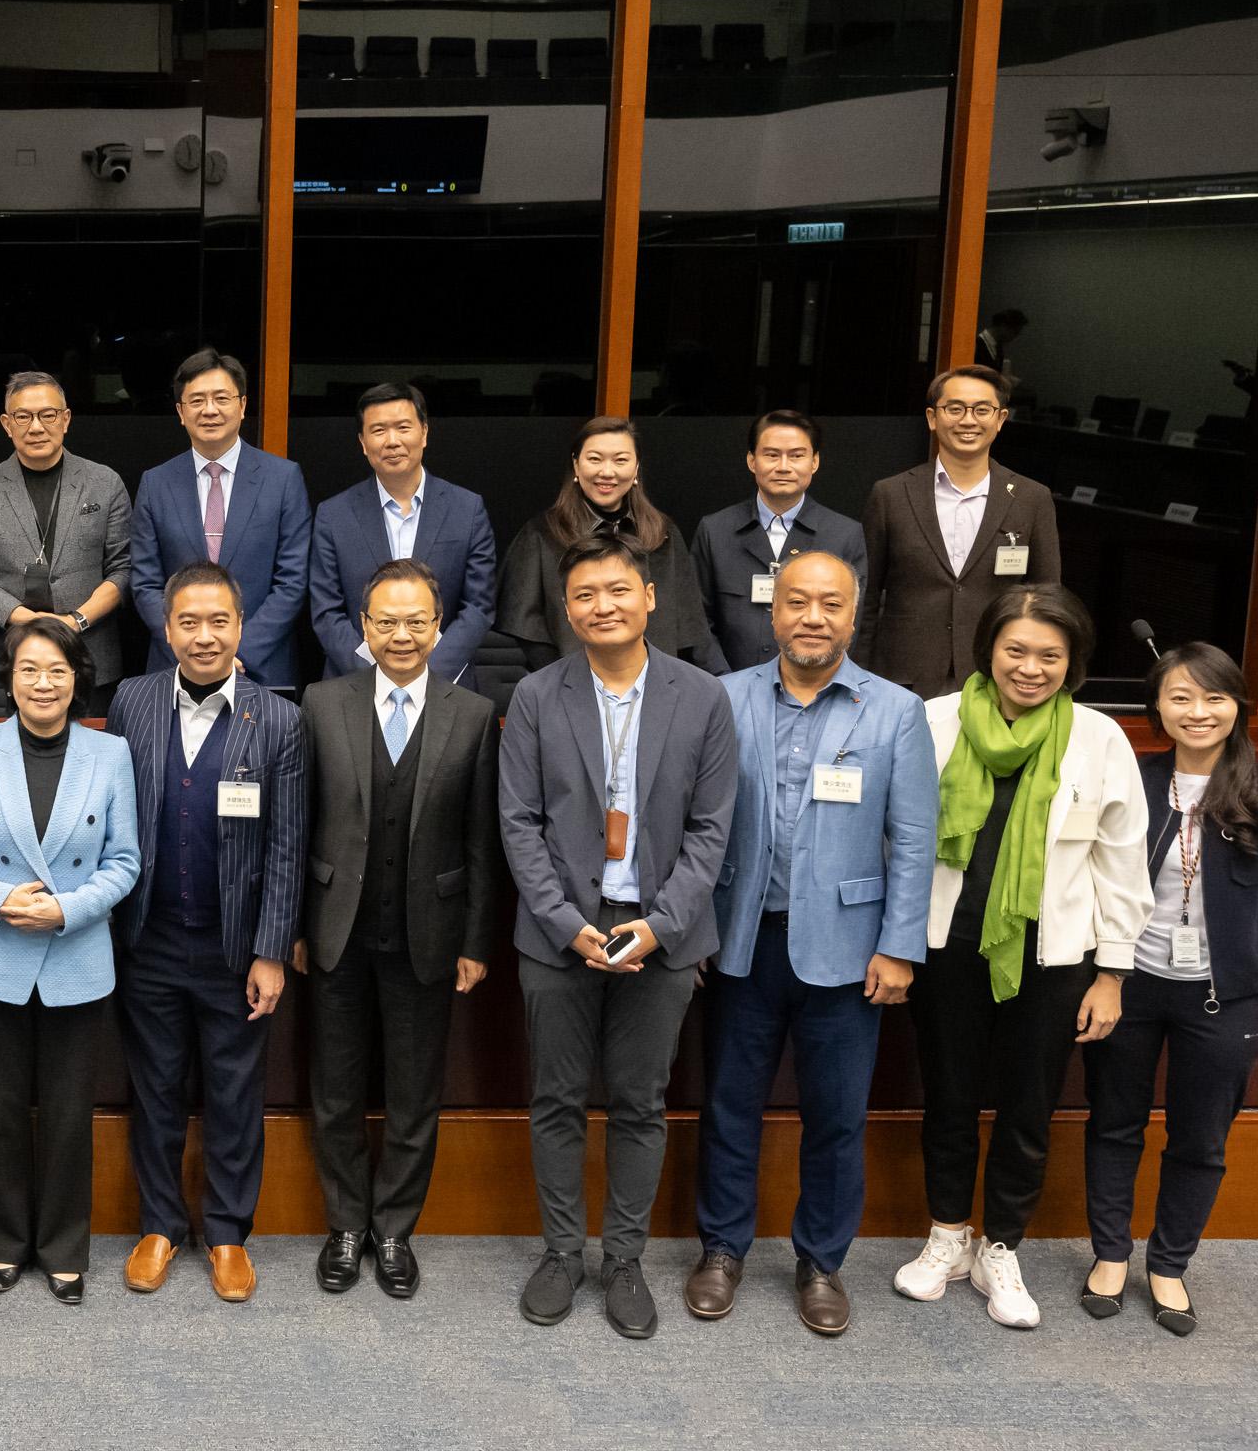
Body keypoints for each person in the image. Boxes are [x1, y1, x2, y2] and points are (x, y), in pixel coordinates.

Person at [685, 551, 937, 1337]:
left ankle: (821, 1261)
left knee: (836, 1117)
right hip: (740, 941)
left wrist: (900, 947)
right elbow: (693, 827)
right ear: (773, 611)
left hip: (849, 947)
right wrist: (691, 928)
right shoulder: (723, 699)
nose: (813, 617)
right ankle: (722, 1250)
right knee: (730, 1106)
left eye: (831, 604)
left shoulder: (894, 711)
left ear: (854, 617)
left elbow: (915, 837)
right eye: (798, 602)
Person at [500, 534, 738, 1339]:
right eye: (585, 596)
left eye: (617, 590)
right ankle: (564, 1251)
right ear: (567, 611)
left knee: (641, 1103)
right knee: (556, 1101)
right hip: (559, 932)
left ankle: (625, 1258)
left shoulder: (703, 695)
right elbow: (520, 825)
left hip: (661, 933)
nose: (603, 605)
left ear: (648, 597)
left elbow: (712, 830)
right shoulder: (536, 695)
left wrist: (663, 924)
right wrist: (567, 926)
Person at [894, 584, 1149, 1330]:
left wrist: (1112, 972)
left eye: (1049, 655)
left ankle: (1000, 1248)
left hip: (1054, 958)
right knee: (947, 1096)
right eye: (1015, 650)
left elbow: (1121, 863)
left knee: (1028, 1108)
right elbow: (900, 843)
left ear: (1072, 664)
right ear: (988, 650)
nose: (1029, 668)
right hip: (949, 948)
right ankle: (945, 1235)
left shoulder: (1100, 739)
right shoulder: (933, 723)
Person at [1082, 641, 1258, 1336]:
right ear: (1156, 705)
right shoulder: (1132, 781)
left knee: (1200, 1138)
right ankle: (1110, 1255)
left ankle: (1170, 1264)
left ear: (1238, 706)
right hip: (1127, 983)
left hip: (1226, 997)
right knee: (1114, 1121)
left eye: (1214, 697)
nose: (1198, 711)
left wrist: (1236, 954)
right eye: (1180, 697)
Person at [296, 557, 500, 1300]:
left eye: (418, 621)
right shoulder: (321, 703)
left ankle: (393, 1232)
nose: (403, 634)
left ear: (439, 627)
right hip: (335, 931)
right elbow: (300, 826)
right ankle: (347, 1224)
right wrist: (293, 926)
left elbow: (483, 842)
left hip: (430, 936)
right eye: (388, 621)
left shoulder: (473, 714)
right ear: (364, 628)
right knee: (337, 1090)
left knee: (415, 1094)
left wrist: (477, 940)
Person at [103, 562, 306, 1303]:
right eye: (189, 622)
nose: (204, 635)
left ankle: (226, 1234)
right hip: (149, 940)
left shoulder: (277, 718)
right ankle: (159, 1226)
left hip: (234, 949)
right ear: (167, 630)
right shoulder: (132, 701)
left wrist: (270, 951)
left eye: (219, 621)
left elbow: (287, 844)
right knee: (154, 1088)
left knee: (233, 1091)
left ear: (241, 629)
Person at [0, 617, 140, 1302]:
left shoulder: (109, 754)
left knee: (66, 1115)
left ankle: (62, 1247)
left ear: (77, 678)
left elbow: (124, 861)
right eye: (29, 669)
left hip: (75, 953)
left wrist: (69, 908)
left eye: (57, 670)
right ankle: (0, 1241)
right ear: (10, 678)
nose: (43, 683)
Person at [857, 367, 1061, 699]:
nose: (968, 420)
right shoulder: (890, 494)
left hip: (997, 677)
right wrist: (858, 674)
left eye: (982, 410)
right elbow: (863, 597)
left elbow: (1047, 599)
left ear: (1000, 419)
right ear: (932, 418)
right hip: (901, 678)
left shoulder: (1031, 498)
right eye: (955, 409)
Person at [128, 348, 312, 688]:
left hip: (259, 665)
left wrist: (234, 651)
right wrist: (188, 647)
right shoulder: (156, 483)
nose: (209, 410)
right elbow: (145, 583)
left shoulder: (282, 479)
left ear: (242, 406)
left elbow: (292, 581)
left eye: (221, 398)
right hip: (175, 666)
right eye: (196, 401)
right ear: (181, 412)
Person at [493, 416, 727, 675]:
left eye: (620, 460)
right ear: (576, 465)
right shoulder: (541, 533)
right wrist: (565, 678)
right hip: (567, 685)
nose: (607, 471)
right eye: (595, 459)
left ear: (636, 468)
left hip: (654, 686)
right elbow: (522, 627)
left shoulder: (662, 533)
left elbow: (689, 627)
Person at [0, 371, 132, 693]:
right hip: (13, 661)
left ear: (65, 419)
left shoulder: (104, 483)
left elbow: (123, 568)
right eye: (23, 417)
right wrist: (28, 621)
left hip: (92, 657)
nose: (36, 427)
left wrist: (76, 621)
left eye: (47, 415)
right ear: (7, 424)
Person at [306, 383, 497, 689]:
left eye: (403, 427)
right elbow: (326, 610)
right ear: (363, 442)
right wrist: (373, 672)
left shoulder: (467, 509)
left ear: (423, 432)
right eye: (379, 430)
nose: (392, 441)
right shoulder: (333, 514)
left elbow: (479, 606)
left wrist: (427, 674)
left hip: (446, 686)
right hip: (354, 683)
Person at [687, 409, 868, 673]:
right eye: (772, 455)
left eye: (796, 456)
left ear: (814, 462)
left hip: (814, 687)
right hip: (726, 690)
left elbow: (851, 621)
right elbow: (697, 620)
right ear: (752, 460)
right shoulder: (715, 530)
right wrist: (724, 685)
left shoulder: (844, 535)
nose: (783, 467)